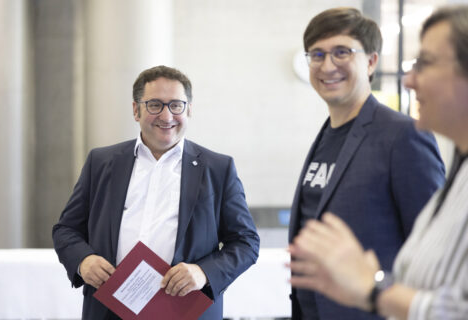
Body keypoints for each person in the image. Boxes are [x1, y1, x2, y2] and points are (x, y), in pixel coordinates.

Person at [290, 5, 468, 320]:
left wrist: (377, 292)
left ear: (371, 61)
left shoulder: (403, 135)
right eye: (316, 55)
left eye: (341, 52)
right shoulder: (325, 136)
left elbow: (433, 245)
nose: (327, 65)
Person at [52, 65, 260, 319]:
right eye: (154, 105)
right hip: (109, 309)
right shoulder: (101, 162)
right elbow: (66, 230)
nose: (166, 115)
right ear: (135, 110)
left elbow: (246, 243)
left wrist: (203, 272)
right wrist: (83, 261)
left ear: (189, 109)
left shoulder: (218, 168)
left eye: (176, 105)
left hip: (184, 311)